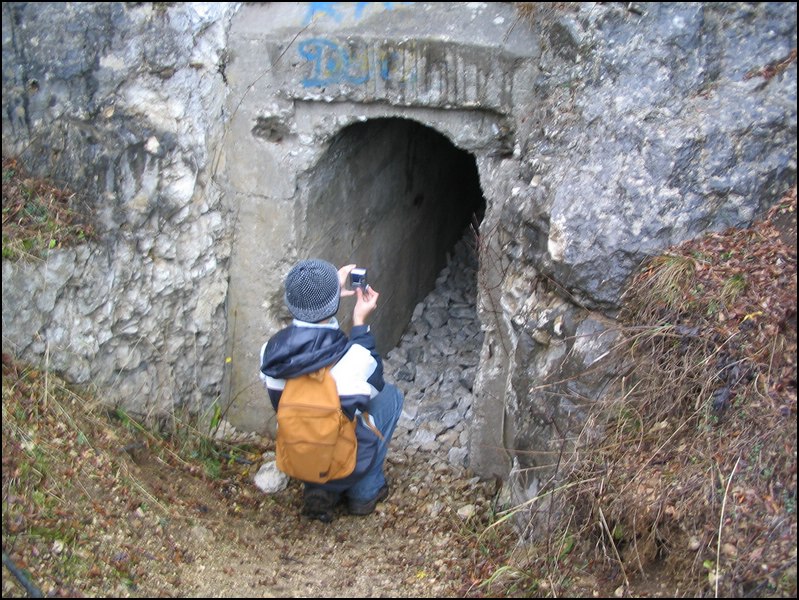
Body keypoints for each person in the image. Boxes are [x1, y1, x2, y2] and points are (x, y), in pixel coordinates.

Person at [259, 258, 404, 523]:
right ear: (335, 303)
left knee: (316, 414)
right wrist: (359, 324)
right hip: (337, 454)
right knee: (390, 397)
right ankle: (364, 491)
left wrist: (324, 293)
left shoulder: (270, 354)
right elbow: (374, 386)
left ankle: (316, 486)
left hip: (297, 453)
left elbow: (309, 343)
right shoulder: (353, 359)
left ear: (289, 303)